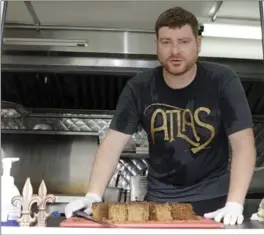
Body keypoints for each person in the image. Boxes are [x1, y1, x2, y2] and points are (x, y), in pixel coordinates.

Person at [65, 7, 256, 225]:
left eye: (184, 41)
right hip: (159, 203)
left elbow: (243, 143)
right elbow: (112, 144)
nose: (175, 51)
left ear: (198, 43)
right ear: (156, 45)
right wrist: (93, 195)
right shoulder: (139, 88)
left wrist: (235, 203)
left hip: (215, 203)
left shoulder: (222, 81)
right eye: (166, 42)